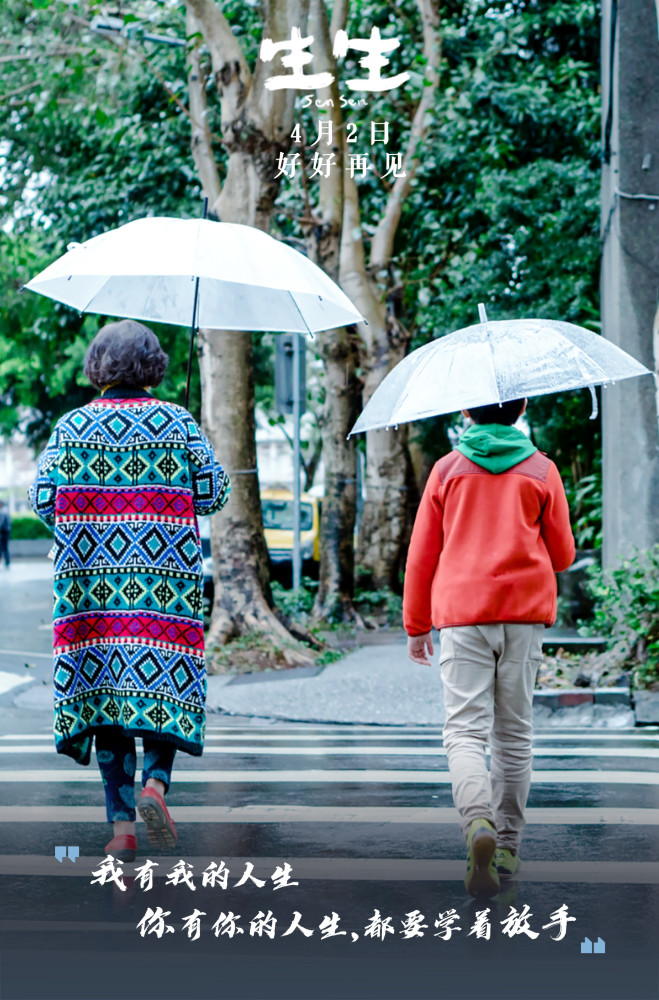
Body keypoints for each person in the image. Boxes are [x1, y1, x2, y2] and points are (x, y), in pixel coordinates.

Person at [29, 320, 230, 861]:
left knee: (107, 704)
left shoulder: (72, 428)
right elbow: (213, 494)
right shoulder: (177, 421)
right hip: (163, 592)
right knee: (163, 689)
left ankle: (121, 830)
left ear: (98, 366)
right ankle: (155, 788)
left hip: (91, 595)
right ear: (153, 367)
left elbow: (43, 499)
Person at [403, 398, 575, 897]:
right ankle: (507, 845)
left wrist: (417, 626)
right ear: (521, 410)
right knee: (515, 735)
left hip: (462, 617)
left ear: (466, 415)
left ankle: (476, 823)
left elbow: (421, 556)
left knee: (464, 732)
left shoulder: (447, 470)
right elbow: (563, 554)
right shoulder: (542, 470)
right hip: (523, 618)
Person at [0, 500, 10, 568]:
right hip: (5, 532)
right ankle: (7, 562)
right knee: (4, 547)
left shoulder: (3, 511)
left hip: (4, 532)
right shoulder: (4, 511)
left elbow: (1, 523)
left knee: (3, 547)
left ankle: (7, 562)